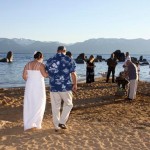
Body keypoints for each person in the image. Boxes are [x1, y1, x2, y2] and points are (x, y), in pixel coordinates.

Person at [45, 46, 77, 132]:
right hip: (65, 86)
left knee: (55, 107)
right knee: (69, 104)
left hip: (53, 87)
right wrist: (75, 84)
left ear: (57, 51)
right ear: (64, 51)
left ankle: (56, 126)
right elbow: (73, 74)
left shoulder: (49, 60)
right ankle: (62, 122)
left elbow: (46, 73)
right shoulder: (69, 59)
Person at [22, 51, 48, 131]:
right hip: (38, 86)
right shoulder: (41, 65)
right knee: (39, 102)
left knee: (30, 103)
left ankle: (28, 123)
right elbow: (45, 75)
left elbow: (24, 76)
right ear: (41, 57)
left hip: (30, 86)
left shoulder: (27, 64)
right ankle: (36, 123)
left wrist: (30, 80)